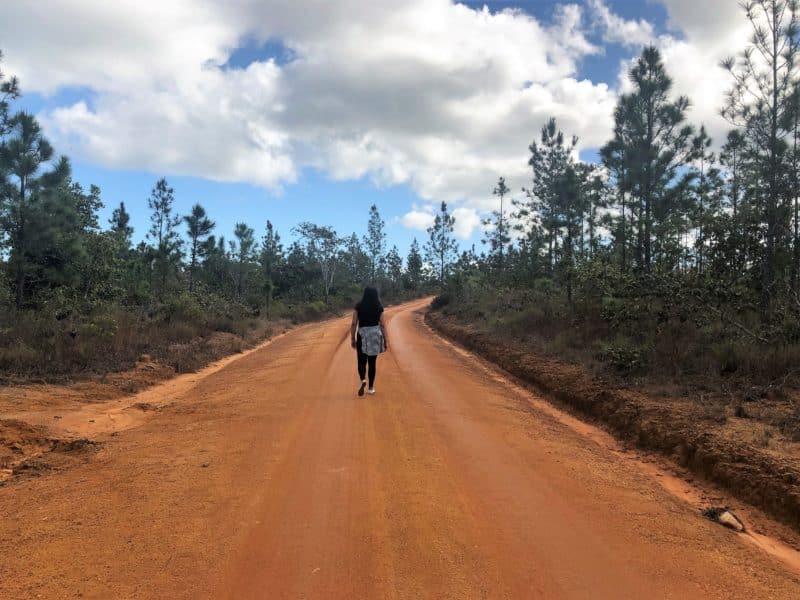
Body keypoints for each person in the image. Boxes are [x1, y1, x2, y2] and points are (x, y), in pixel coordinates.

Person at [350, 286, 389, 396]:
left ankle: (363, 379)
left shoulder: (358, 306)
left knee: (361, 361)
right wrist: (385, 340)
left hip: (362, 334)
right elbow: (382, 324)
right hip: (375, 335)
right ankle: (371, 388)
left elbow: (353, 323)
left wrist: (353, 338)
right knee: (372, 362)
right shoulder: (379, 307)